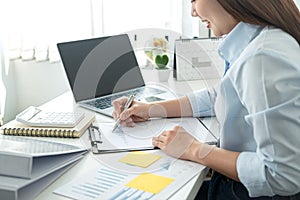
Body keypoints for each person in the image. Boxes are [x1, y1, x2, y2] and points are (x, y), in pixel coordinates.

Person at [112, 0, 300, 199]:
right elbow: (220, 95)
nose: (193, 12)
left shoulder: (261, 59)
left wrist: (194, 149)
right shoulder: (261, 40)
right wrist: (151, 109)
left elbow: (283, 175)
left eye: (194, 0)